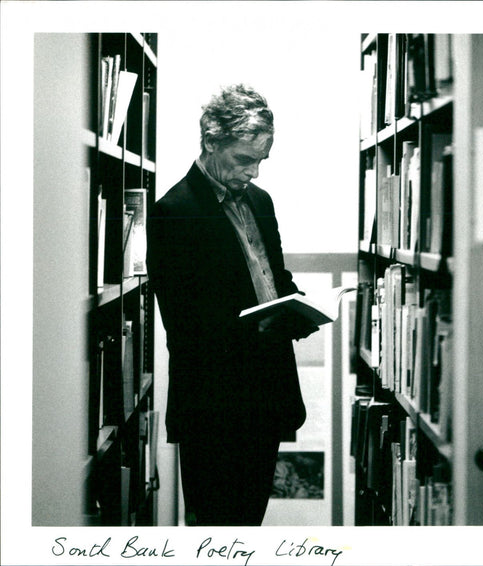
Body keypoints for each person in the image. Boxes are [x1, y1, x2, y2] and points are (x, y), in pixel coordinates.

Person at [147, 84, 318, 526]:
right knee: (216, 529)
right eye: (244, 159)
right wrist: (256, 327)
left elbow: (273, 278)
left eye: (261, 160)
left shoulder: (261, 203)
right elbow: (183, 326)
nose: (255, 173)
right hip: (214, 407)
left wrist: (297, 307)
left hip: (267, 396)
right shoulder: (174, 212)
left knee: (249, 525)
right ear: (210, 142)